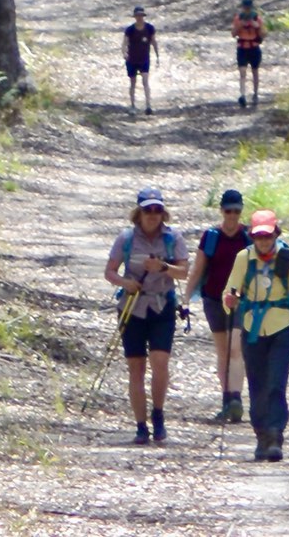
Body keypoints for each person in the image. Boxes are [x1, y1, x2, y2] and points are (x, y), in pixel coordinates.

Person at [221, 207, 289, 462]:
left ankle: (275, 435)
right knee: (256, 384)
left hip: (282, 327)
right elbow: (229, 293)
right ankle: (260, 434)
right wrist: (229, 301)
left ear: (276, 234)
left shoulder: (287, 257)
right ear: (252, 236)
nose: (263, 241)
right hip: (252, 327)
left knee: (276, 382)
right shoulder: (244, 258)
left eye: (268, 236)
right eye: (259, 236)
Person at [104, 188, 186, 445]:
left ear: (163, 212)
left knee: (160, 362)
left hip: (162, 307)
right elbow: (109, 271)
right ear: (138, 212)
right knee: (136, 368)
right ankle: (141, 426)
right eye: (148, 210)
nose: (153, 215)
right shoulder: (126, 239)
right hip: (132, 307)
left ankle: (158, 414)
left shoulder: (173, 238)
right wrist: (125, 283)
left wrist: (163, 267)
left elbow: (184, 272)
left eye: (157, 210)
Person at [182, 187, 250, 423]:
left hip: (242, 300)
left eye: (237, 211)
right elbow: (198, 269)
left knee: (235, 349)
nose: (233, 216)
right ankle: (226, 399)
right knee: (222, 351)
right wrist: (186, 298)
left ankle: (236, 399)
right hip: (213, 298)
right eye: (229, 211)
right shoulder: (211, 237)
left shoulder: (249, 237)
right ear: (222, 211)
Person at [231, 0, 266, 108]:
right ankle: (243, 95)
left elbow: (264, 34)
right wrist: (240, 26)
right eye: (245, 8)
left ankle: (255, 94)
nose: (246, 10)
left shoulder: (257, 18)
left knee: (255, 71)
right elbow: (233, 34)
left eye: (248, 8)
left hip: (254, 48)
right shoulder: (238, 18)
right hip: (242, 48)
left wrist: (258, 27)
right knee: (242, 72)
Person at [123, 4, 158, 114]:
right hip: (132, 59)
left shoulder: (149, 28)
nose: (139, 17)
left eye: (141, 15)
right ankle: (133, 105)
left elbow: (153, 41)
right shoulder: (130, 30)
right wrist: (124, 53)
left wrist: (157, 55)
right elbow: (124, 43)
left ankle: (148, 105)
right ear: (135, 17)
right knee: (133, 82)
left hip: (144, 58)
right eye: (137, 15)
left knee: (145, 81)